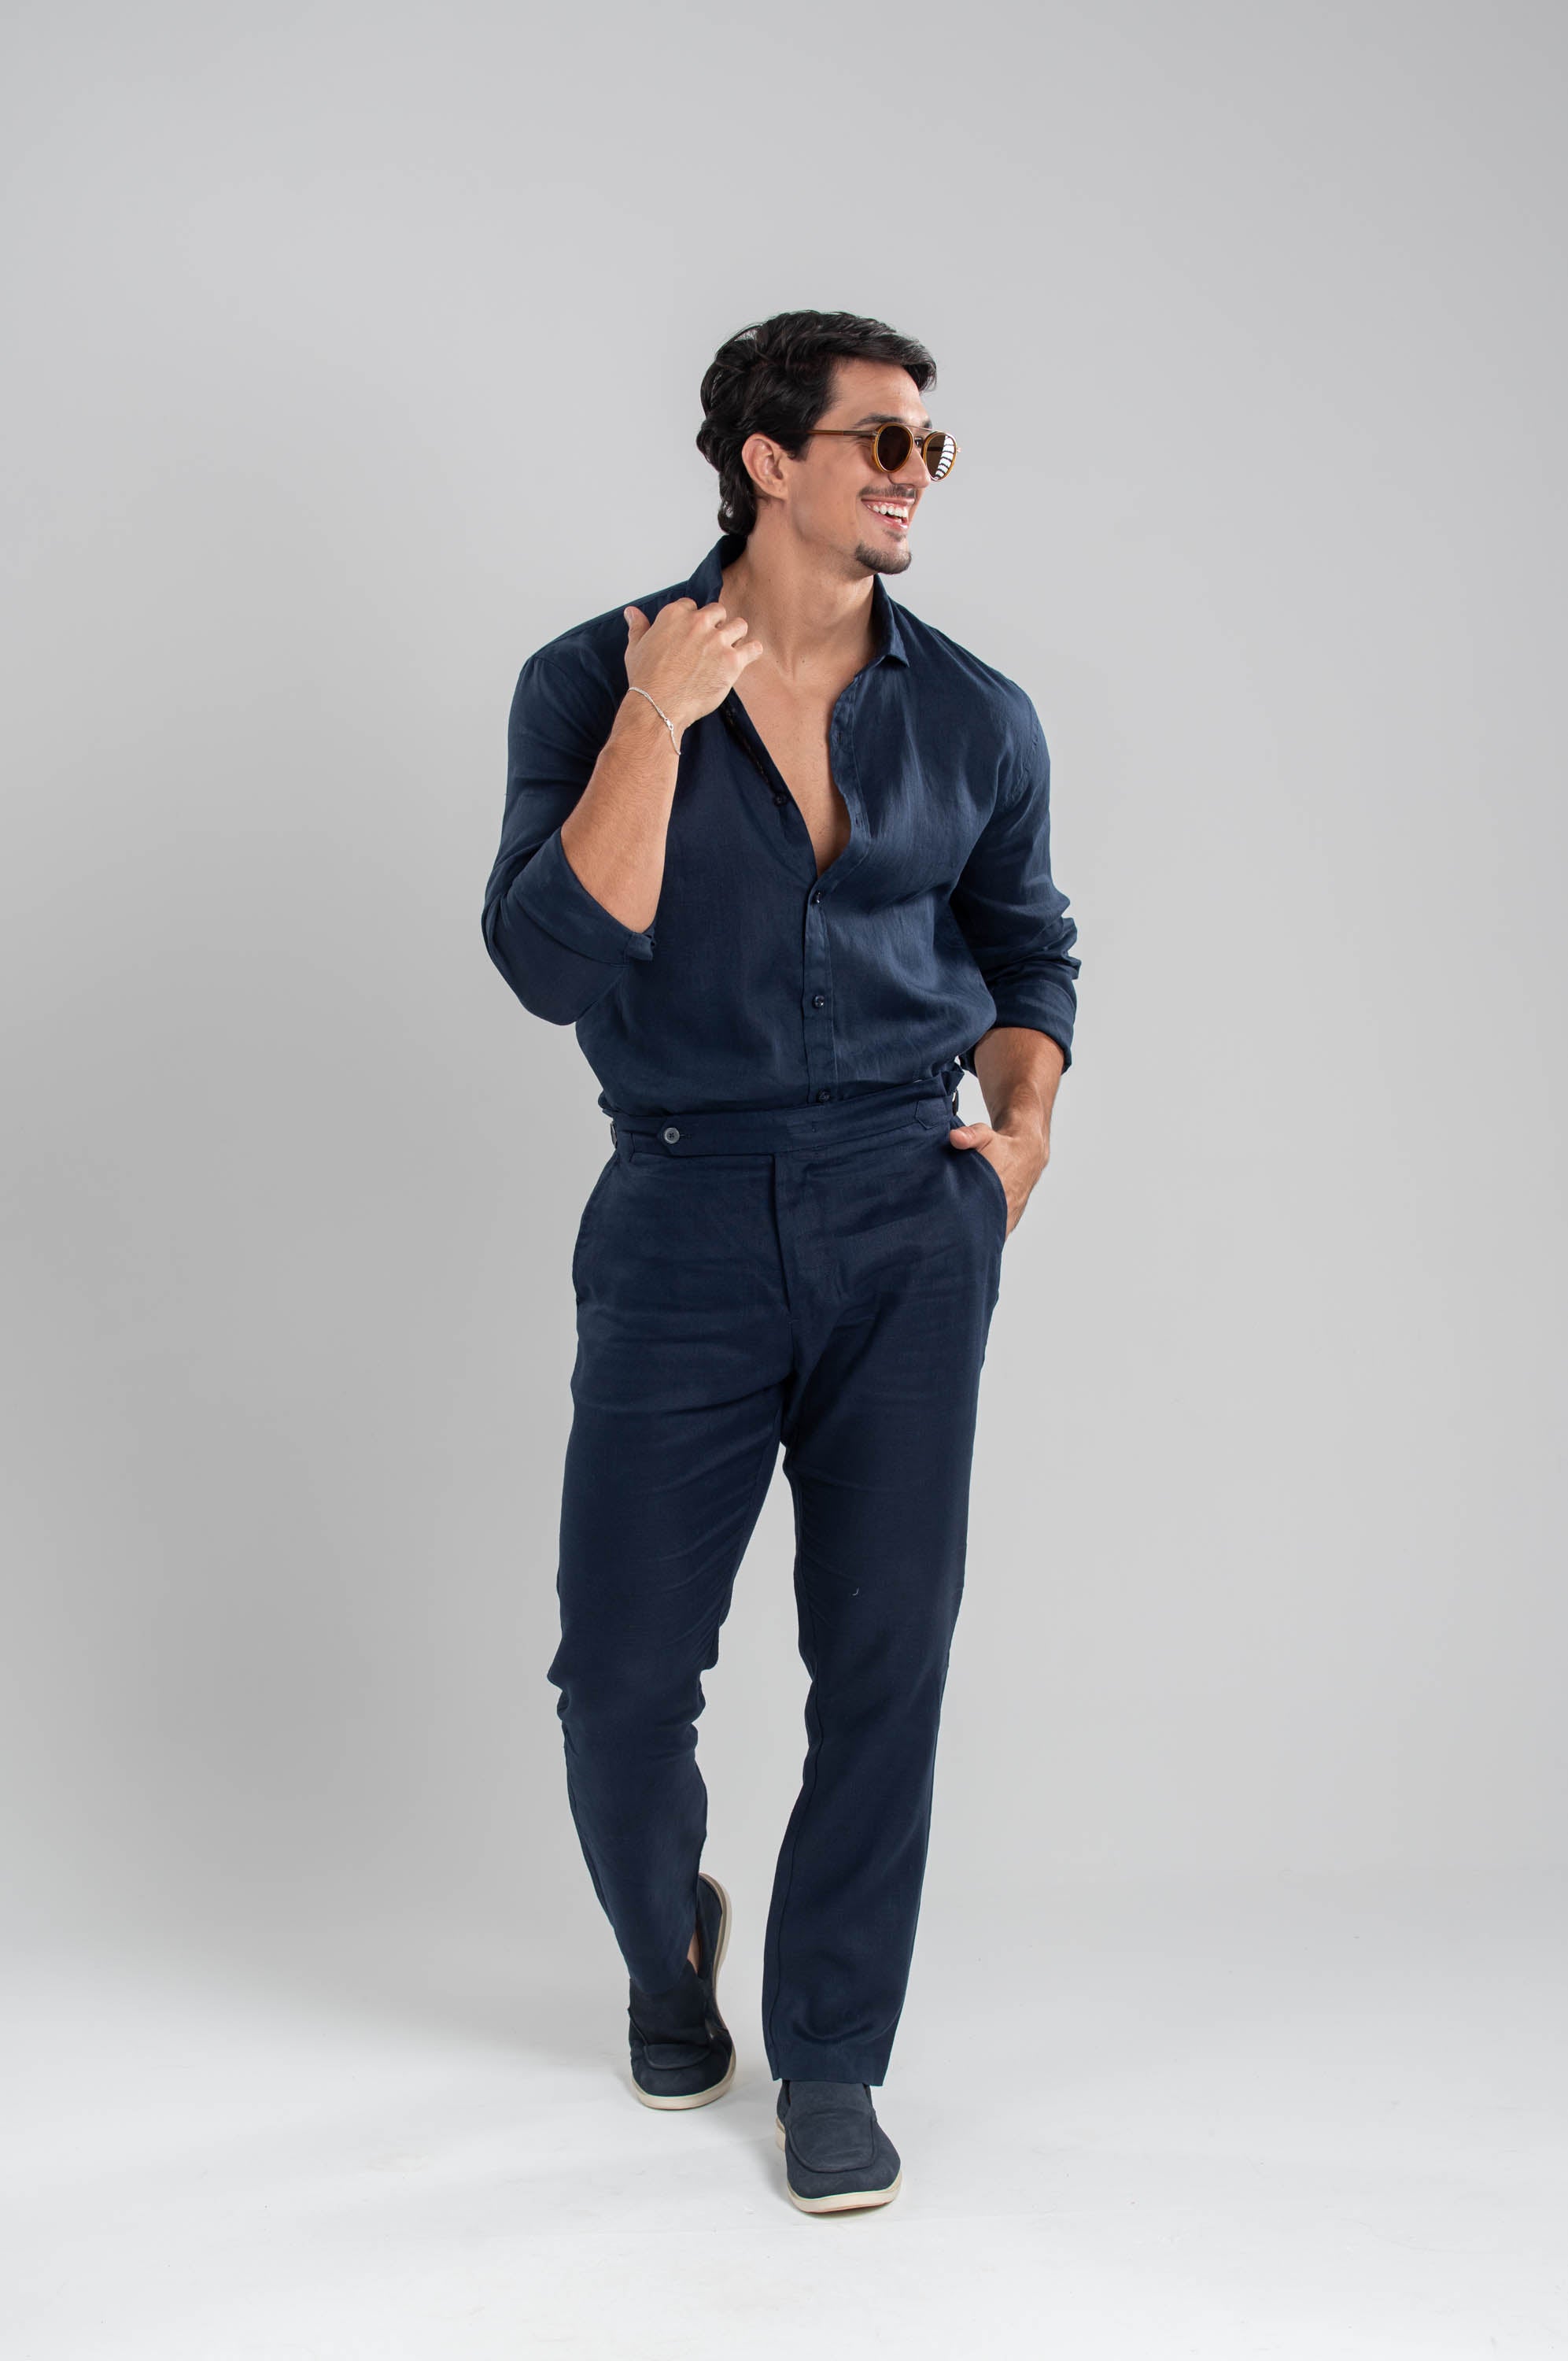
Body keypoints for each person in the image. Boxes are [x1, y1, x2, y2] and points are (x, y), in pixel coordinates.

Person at [481, 309, 1080, 2215]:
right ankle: (668, 1949)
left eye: (928, 447)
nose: (913, 474)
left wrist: (1022, 1132)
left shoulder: (975, 714)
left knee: (884, 1657)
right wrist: (657, 720)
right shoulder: (593, 677)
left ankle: (832, 2056)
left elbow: (1028, 947)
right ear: (767, 461)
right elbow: (551, 965)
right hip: (679, 1212)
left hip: (909, 1214)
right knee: (618, 1677)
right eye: (880, 442)